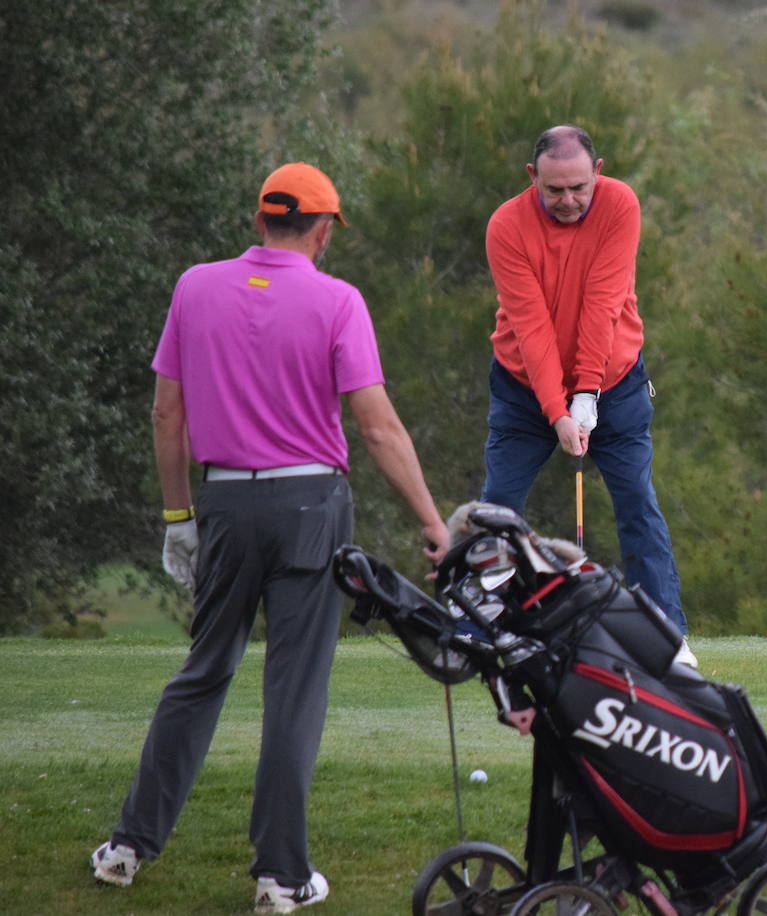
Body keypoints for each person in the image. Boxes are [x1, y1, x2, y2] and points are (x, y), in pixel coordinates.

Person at [90, 162, 450, 914]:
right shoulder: (338, 299)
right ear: (323, 231)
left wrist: (177, 517)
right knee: (294, 689)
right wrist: (429, 519)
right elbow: (377, 427)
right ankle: (280, 878)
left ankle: (128, 846)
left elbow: (167, 416)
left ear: (260, 221)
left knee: (204, 669)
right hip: (311, 506)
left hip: (222, 502)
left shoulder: (194, 286)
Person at [481, 125, 694, 666]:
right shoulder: (507, 224)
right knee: (497, 507)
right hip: (523, 386)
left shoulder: (619, 204)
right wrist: (558, 410)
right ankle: (478, 628)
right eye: (555, 190)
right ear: (534, 178)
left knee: (637, 505)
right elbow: (532, 329)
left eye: (579, 187)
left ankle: (666, 638)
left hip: (615, 382)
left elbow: (604, 304)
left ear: (598, 173)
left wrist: (587, 397)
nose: (569, 200)